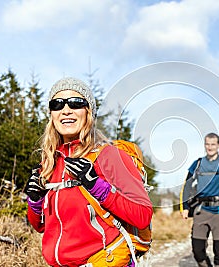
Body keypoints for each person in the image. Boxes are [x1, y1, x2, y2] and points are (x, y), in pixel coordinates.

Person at [25, 77, 152, 267]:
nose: (66, 110)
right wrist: (35, 202)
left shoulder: (109, 156)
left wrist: (97, 186)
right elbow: (41, 226)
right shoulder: (50, 163)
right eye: (57, 104)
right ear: (51, 114)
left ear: (89, 112)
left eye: (76, 103)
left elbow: (142, 215)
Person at [180, 133, 219, 267]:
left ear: (218, 146)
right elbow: (186, 186)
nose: (210, 147)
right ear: (205, 145)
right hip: (201, 211)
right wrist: (184, 207)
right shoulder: (197, 164)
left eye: (213, 144)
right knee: (198, 251)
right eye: (207, 144)